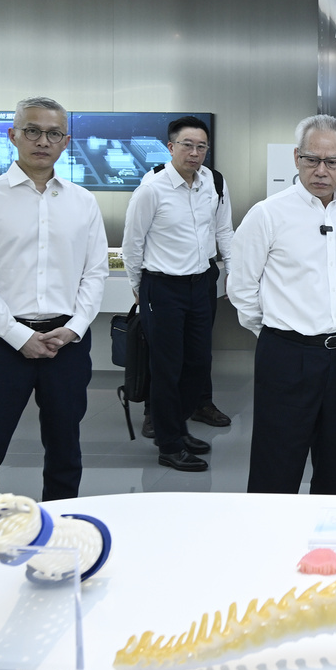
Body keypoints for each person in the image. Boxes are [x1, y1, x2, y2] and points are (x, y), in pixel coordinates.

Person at [0, 96, 108, 501]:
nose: (43, 141)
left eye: (54, 134)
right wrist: (18, 336)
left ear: (66, 141)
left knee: (65, 446)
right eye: (33, 131)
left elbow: (95, 272)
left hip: (66, 342)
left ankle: (62, 524)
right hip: (0, 342)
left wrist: (75, 327)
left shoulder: (82, 201)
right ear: (13, 135)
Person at [228, 115, 336, 494]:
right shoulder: (267, 214)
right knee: (277, 463)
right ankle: (271, 530)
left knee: (333, 460)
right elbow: (241, 287)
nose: (321, 171)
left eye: (333, 161)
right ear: (296, 158)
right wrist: (279, 331)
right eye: (311, 159)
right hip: (287, 353)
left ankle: (326, 531)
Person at [123, 116, 233, 472]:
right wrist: (139, 287)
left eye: (201, 147)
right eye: (187, 145)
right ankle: (169, 443)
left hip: (202, 284)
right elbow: (132, 243)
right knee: (167, 368)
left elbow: (224, 231)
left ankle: (179, 428)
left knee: (197, 363)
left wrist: (234, 275)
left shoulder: (214, 182)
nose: (195, 153)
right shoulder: (152, 188)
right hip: (163, 286)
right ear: (171, 147)